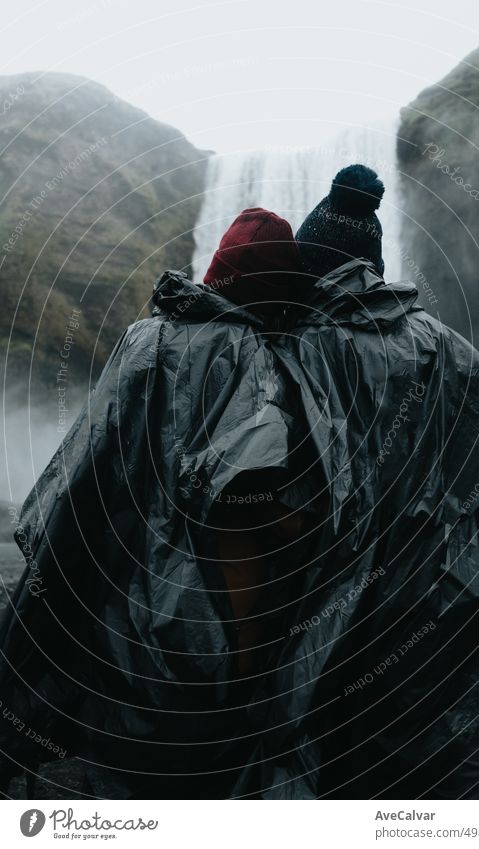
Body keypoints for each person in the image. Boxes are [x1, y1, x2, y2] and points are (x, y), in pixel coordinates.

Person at [230, 165, 479, 799]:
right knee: (461, 770)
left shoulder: (290, 347)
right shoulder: (453, 350)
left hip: (331, 610)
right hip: (449, 600)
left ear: (313, 262)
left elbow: (261, 485)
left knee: (325, 771)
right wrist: (456, 546)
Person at [0, 208, 313, 799]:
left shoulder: (143, 336)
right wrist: (249, 655)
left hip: (113, 605)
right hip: (190, 622)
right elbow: (236, 509)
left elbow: (87, 465)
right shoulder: (246, 354)